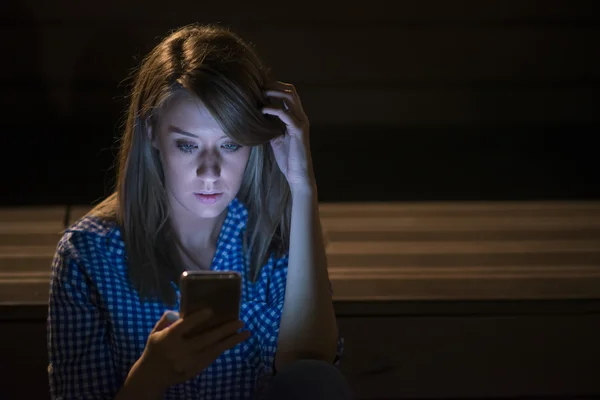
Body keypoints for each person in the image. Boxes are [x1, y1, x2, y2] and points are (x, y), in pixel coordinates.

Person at [46, 23, 350, 400]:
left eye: (230, 144)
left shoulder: (275, 236)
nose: (210, 172)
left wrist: (303, 188)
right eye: (188, 146)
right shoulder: (88, 255)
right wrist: (149, 378)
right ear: (152, 132)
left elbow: (312, 371)